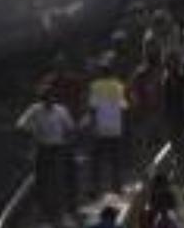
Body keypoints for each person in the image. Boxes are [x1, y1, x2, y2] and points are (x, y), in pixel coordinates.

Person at [18, 86, 77, 226]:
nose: (48, 101)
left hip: (57, 149)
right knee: (42, 181)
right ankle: (44, 210)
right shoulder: (34, 110)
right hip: (42, 148)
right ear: (42, 100)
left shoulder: (61, 110)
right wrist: (32, 133)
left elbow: (70, 127)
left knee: (58, 180)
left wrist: (67, 142)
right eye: (45, 99)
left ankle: (59, 211)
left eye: (51, 98)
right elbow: (20, 126)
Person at [86, 61, 129, 195]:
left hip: (100, 127)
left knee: (96, 159)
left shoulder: (95, 86)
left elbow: (93, 108)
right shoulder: (118, 86)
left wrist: (92, 126)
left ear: (101, 72)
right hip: (115, 127)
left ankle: (95, 187)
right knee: (115, 158)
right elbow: (123, 107)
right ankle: (117, 186)